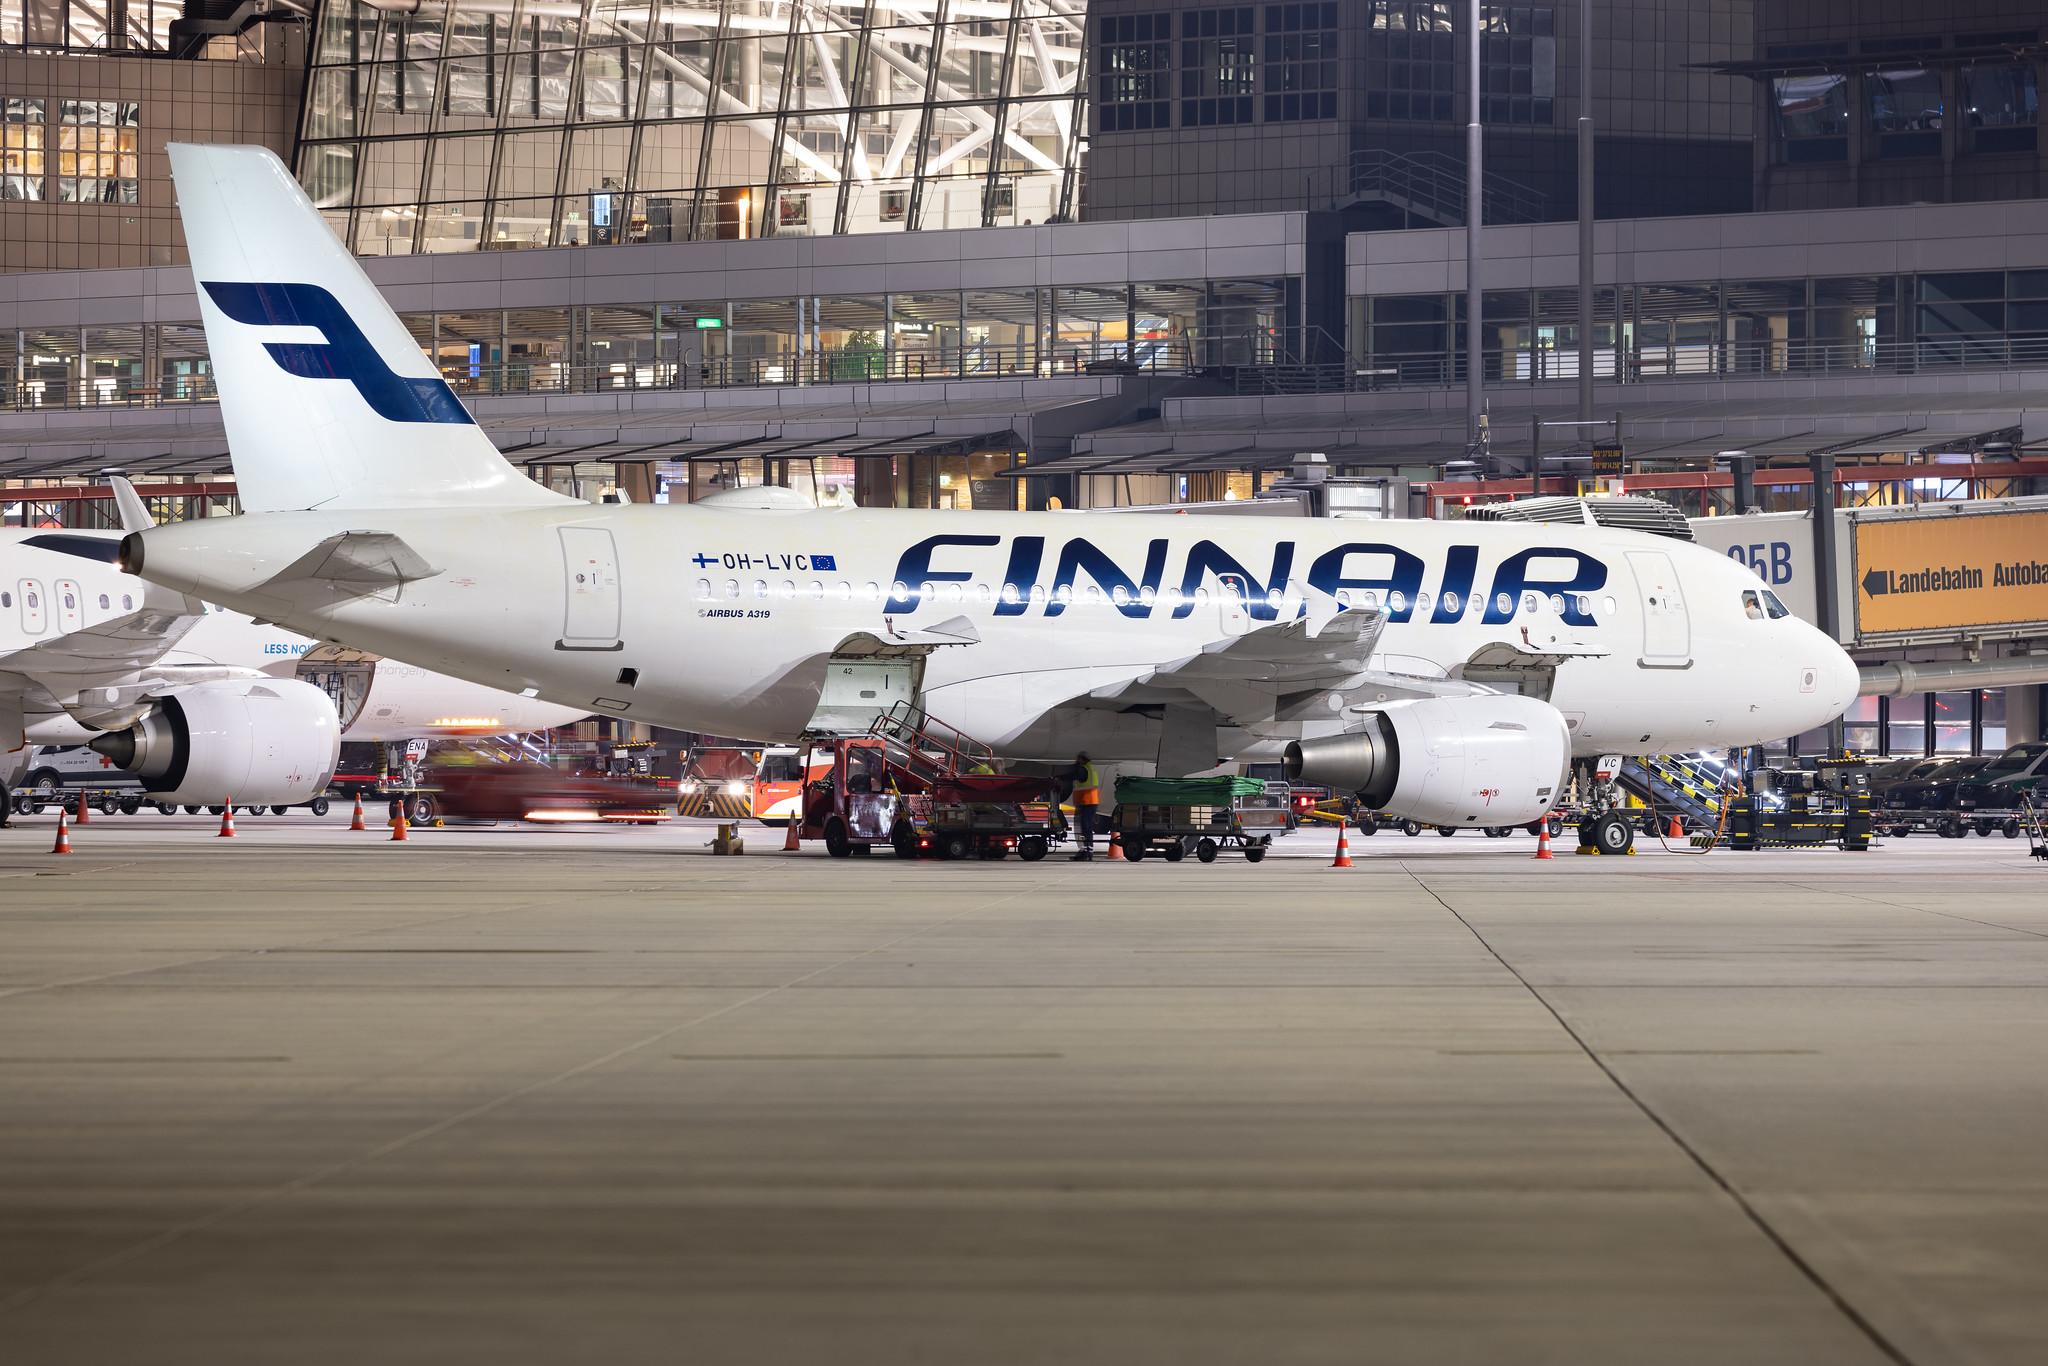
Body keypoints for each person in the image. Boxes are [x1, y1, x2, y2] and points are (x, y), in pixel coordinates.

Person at [1068, 752, 1101, 861]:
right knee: (1085, 827)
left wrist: (1059, 777)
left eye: (1078, 759)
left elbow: (1073, 776)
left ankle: (1087, 851)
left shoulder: (1083, 770)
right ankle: (1086, 850)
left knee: (1086, 827)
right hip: (1088, 802)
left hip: (1087, 802)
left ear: (1082, 759)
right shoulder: (1090, 768)